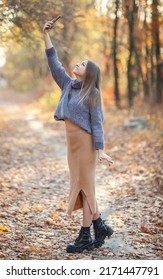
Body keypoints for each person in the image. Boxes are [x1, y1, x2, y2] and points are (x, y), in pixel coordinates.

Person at [43, 20, 114, 253]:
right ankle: (99, 225)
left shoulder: (91, 93)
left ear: (89, 73)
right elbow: (54, 64)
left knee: (86, 189)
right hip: (71, 148)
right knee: (83, 187)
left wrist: (101, 150)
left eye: (83, 64)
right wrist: (46, 36)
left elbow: (98, 123)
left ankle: (86, 236)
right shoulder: (68, 86)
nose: (78, 63)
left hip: (85, 146)